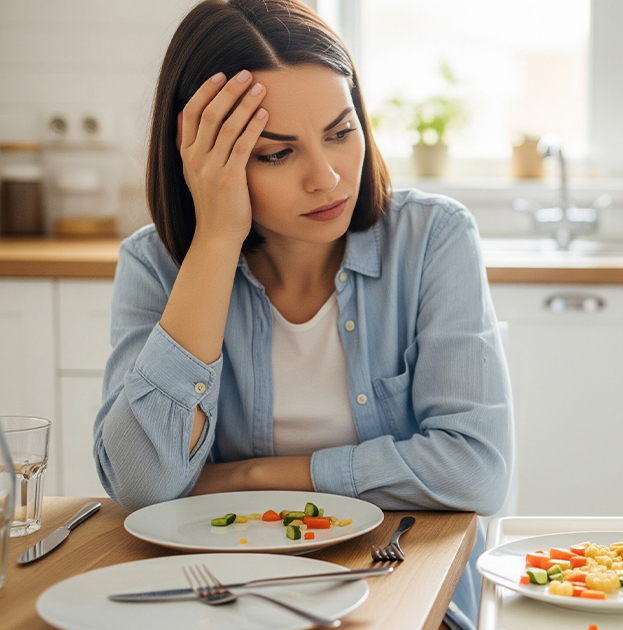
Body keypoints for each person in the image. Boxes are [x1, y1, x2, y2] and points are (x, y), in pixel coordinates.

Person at [92, 1, 512, 628]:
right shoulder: (156, 264)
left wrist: (250, 476)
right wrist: (214, 241)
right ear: (205, 161)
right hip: (220, 596)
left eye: (341, 133)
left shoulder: (432, 238)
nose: (329, 177)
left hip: (400, 588)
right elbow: (141, 484)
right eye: (276, 154)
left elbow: (474, 471)